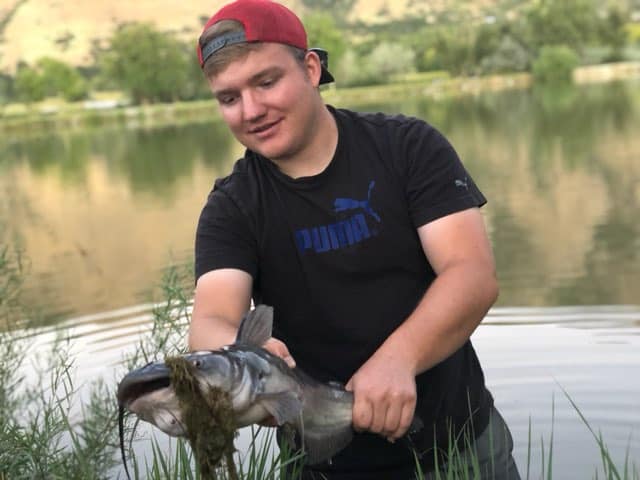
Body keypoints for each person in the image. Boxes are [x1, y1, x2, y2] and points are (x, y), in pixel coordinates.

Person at [187, 0, 520, 478]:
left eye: (266, 82)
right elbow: (210, 320)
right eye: (229, 98)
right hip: (321, 466)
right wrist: (246, 361)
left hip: (462, 447)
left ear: (310, 68)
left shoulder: (407, 147)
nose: (252, 110)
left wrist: (399, 359)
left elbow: (472, 274)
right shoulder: (233, 206)